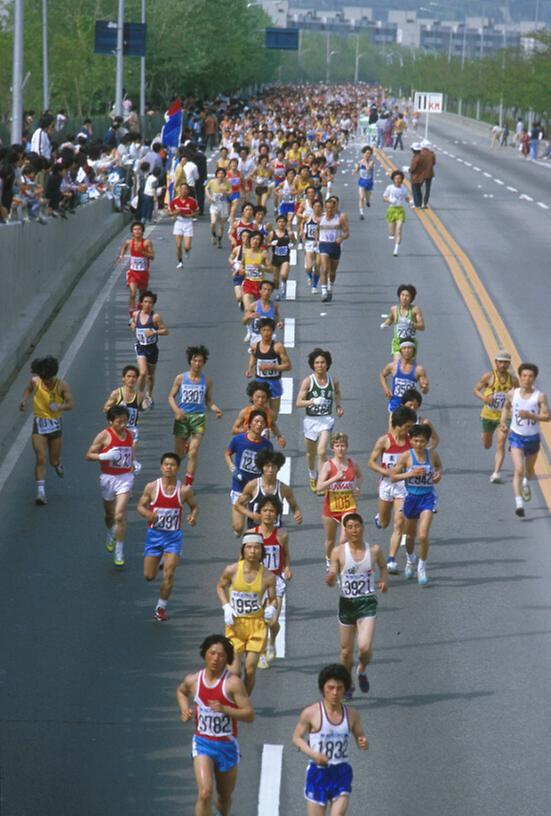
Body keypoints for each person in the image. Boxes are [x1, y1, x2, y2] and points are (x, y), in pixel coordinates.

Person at [176, 634, 254, 816]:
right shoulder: (193, 680)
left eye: (221, 655)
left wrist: (226, 710)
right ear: (204, 654)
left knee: (224, 797)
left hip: (227, 745)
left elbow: (249, 715)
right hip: (203, 743)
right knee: (205, 792)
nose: (216, 659)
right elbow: (181, 691)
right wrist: (184, 708)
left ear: (227, 659)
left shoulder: (232, 684)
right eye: (212, 653)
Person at [292, 663, 368, 814]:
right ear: (323, 689)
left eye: (340, 688)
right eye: (331, 688)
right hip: (318, 774)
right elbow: (296, 738)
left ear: (345, 689)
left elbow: (361, 738)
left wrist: (363, 742)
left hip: (341, 772)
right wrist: (314, 755)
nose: (335, 693)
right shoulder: (311, 713)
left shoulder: (352, 715)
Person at [326, 514, 387, 697]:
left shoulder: (374, 550)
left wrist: (384, 581)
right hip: (346, 604)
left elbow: (383, 567)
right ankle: (348, 682)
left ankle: (361, 669)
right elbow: (333, 574)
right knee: (345, 653)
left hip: (367, 602)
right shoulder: (338, 552)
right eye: (350, 527)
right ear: (345, 530)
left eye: (357, 526)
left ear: (363, 528)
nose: (354, 530)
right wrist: (330, 579)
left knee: (365, 647)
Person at [137, 452, 198, 621]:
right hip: (154, 536)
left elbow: (194, 506)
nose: (169, 468)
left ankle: (161, 607)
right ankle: (161, 558)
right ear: (161, 467)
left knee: (169, 573)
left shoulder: (184, 490)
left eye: (172, 465)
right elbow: (140, 506)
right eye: (166, 465)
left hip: (173, 538)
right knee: (149, 576)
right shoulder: (152, 487)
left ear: (178, 468)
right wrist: (147, 514)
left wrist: (193, 516)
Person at [216, 532, 277, 695]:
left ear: (262, 551)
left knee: (250, 670)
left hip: (256, 626)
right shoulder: (232, 570)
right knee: (234, 671)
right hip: (235, 625)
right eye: (249, 547)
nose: (252, 551)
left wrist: (271, 608)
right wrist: (226, 607)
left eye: (257, 548)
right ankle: (234, 695)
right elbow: (220, 587)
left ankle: (243, 701)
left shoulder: (268, 576)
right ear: (243, 550)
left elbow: (273, 599)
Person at [390, 424, 442, 586]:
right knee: (410, 536)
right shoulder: (406, 456)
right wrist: (410, 473)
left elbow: (439, 467)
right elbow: (393, 477)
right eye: (416, 441)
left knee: (423, 535)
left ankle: (422, 568)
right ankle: (410, 560)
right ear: (410, 441)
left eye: (422, 441)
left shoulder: (432, 455)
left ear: (427, 442)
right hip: (411, 498)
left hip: (427, 497)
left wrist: (437, 475)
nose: (419, 444)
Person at [367, 406, 417, 574]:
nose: (409, 430)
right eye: (407, 426)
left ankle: (391, 560)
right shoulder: (384, 441)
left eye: (411, 427)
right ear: (398, 424)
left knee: (399, 523)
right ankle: (379, 518)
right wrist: (385, 471)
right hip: (387, 485)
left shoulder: (412, 442)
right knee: (384, 522)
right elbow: (371, 462)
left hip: (403, 486)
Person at [19, 355, 74, 506]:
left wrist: (60, 406)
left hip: (55, 425)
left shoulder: (62, 385)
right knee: (40, 458)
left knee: (53, 460)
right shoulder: (36, 381)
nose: (47, 382)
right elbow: (28, 389)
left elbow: (70, 404)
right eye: (44, 379)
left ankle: (58, 464)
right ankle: (41, 493)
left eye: (49, 379)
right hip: (39, 425)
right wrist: (24, 401)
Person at [85, 406, 134, 568]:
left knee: (119, 515)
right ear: (110, 421)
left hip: (125, 478)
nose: (123, 425)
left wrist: (134, 465)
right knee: (109, 514)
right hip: (108, 478)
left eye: (125, 421)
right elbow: (88, 455)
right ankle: (111, 532)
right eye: (119, 421)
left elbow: (130, 456)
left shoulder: (130, 435)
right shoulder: (104, 435)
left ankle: (119, 550)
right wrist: (104, 455)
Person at [168, 345, 223, 486]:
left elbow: (208, 400)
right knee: (179, 454)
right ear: (190, 361)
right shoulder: (180, 378)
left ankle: (188, 484)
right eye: (195, 360)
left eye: (200, 361)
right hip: (182, 418)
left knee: (193, 452)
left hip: (198, 418)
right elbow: (171, 397)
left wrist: (215, 408)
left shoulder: (207, 381)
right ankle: (172, 478)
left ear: (204, 363)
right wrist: (177, 411)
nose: (197, 364)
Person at [500, 363, 550, 517]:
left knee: (528, 471)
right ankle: (519, 503)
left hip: (533, 438)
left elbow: (547, 417)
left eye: (530, 376)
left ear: (534, 378)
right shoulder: (512, 393)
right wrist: (503, 421)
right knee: (518, 470)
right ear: (520, 377)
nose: (527, 379)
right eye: (524, 376)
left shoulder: (539, 396)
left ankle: (526, 482)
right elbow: (506, 407)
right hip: (516, 436)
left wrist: (531, 416)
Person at [296, 348, 344, 493]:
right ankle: (312, 475)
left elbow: (337, 392)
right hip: (311, 420)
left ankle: (322, 483)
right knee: (311, 454)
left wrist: (338, 406)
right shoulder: (308, 381)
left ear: (327, 364)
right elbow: (298, 403)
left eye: (322, 362)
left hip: (325, 420)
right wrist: (312, 401)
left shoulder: (333, 380)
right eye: (317, 363)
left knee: (322, 451)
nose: (320, 365)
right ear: (313, 365)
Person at [253, 494, 292, 667]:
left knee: (273, 621)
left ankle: (271, 642)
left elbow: (285, 554)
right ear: (259, 513)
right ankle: (261, 652)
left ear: (277, 514)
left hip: (276, 581)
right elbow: (242, 559)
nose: (268, 514)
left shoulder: (282, 535)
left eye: (272, 511)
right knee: (260, 620)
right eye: (265, 510)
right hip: (257, 581)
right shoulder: (251, 535)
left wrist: (287, 568)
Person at [472, 350, 518, 484]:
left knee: (501, 442)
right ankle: (485, 435)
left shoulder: (513, 380)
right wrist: (484, 398)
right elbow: (475, 390)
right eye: (501, 362)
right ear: (496, 363)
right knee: (487, 444)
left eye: (506, 362)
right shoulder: (488, 376)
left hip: (504, 416)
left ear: (509, 364)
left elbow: (519, 395)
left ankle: (496, 472)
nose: (503, 365)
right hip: (488, 415)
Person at [225, 410, 273, 536]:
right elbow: (227, 453)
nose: (259, 425)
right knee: (238, 527)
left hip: (256, 489)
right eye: (256, 421)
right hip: (239, 486)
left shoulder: (267, 445)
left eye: (262, 422)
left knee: (256, 530)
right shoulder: (238, 440)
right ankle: (244, 521)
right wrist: (232, 468)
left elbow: (270, 465)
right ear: (249, 424)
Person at [317, 434, 362, 565]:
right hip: (331, 508)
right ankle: (329, 560)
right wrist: (335, 478)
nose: (340, 449)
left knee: (343, 539)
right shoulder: (328, 466)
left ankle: (342, 563)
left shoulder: (352, 463)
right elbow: (319, 487)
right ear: (333, 448)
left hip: (348, 507)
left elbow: (360, 476)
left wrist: (357, 487)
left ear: (346, 447)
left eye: (342, 445)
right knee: (330, 540)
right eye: (337, 446)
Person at [235, 448, 302, 529]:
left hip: (274, 531)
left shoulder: (284, 489)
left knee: (284, 537)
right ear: (262, 467)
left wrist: (297, 514)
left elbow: (294, 506)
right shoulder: (252, 486)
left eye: (273, 466)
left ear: (278, 468)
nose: (270, 470)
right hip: (255, 531)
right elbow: (238, 505)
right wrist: (252, 515)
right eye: (267, 466)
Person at [245, 317, 291, 421]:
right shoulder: (255, 346)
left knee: (273, 417)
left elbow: (288, 366)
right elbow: (253, 356)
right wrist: (250, 369)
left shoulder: (277, 347)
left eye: (268, 330)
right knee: (260, 413)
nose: (266, 333)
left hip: (274, 383)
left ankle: (268, 432)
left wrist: (272, 367)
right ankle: (263, 433)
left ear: (272, 331)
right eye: (263, 330)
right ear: (260, 331)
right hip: (260, 383)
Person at [130, 291, 169, 408]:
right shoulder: (136, 314)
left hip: (152, 349)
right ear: (141, 303)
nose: (147, 304)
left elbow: (166, 331)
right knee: (142, 373)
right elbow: (131, 321)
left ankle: (149, 395)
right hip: (140, 347)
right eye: (145, 302)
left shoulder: (155, 317)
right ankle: (139, 396)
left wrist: (154, 331)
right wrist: (132, 324)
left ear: (153, 304)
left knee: (150, 376)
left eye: (150, 302)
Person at [103, 364, 145, 465]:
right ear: (123, 378)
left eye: (134, 377)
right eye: (128, 376)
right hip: (118, 429)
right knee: (118, 458)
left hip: (132, 428)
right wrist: (117, 409)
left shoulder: (139, 395)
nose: (131, 379)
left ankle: (132, 464)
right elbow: (105, 409)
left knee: (132, 450)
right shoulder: (117, 393)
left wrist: (145, 405)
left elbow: (139, 409)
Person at [380, 340, 429, 418]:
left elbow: (425, 391)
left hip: (410, 407)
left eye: (410, 348)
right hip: (395, 405)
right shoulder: (393, 366)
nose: (407, 351)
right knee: (393, 430)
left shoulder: (419, 369)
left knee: (409, 429)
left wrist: (424, 388)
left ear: (413, 351)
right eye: (404, 348)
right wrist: (386, 388)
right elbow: (382, 375)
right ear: (400, 351)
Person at [231, 380, 286, 448]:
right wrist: (248, 431)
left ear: (267, 398)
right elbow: (234, 430)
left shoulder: (270, 413)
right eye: (257, 397)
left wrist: (279, 436)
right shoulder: (245, 412)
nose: (260, 400)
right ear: (251, 397)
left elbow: (272, 425)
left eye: (263, 397)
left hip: (262, 447)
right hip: (246, 446)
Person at [117, 221, 154, 319]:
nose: (137, 231)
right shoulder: (129, 242)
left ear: (143, 231)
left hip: (144, 274)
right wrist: (121, 256)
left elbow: (152, 256)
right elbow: (124, 247)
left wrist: (142, 252)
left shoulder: (147, 242)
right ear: (132, 232)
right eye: (135, 229)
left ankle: (139, 311)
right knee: (133, 293)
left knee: (142, 296)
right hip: (133, 273)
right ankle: (132, 316)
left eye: (139, 229)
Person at [380, 284, 425, 359]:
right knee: (397, 365)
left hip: (410, 343)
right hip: (397, 342)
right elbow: (391, 318)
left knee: (408, 367)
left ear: (411, 298)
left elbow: (422, 327)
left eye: (407, 296)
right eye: (402, 295)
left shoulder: (415, 310)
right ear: (399, 296)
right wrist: (385, 324)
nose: (404, 298)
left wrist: (410, 323)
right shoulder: (394, 309)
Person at [318, 196, 349, 303]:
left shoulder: (339, 219)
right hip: (324, 245)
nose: (329, 210)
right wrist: (315, 240)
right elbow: (318, 230)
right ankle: (323, 291)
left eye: (331, 208)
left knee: (332, 271)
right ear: (325, 208)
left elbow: (347, 233)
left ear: (334, 208)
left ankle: (330, 287)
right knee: (324, 269)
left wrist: (342, 237)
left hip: (335, 246)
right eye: (327, 208)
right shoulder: (320, 218)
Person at [169, 181, 199, 268]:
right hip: (178, 223)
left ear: (188, 191)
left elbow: (197, 211)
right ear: (179, 190)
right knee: (178, 245)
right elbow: (169, 212)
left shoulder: (192, 201)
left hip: (188, 223)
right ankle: (180, 261)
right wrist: (176, 212)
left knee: (187, 246)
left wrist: (189, 215)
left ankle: (187, 251)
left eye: (185, 189)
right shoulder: (174, 201)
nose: (183, 190)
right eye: (182, 189)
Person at [383, 169, 411, 257]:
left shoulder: (404, 189)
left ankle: (396, 250)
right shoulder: (390, 188)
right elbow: (384, 198)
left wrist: (411, 201)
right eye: (396, 178)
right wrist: (389, 200)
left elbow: (406, 198)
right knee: (391, 233)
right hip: (391, 210)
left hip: (400, 211)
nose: (398, 180)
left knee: (398, 230)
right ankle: (391, 234)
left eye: (399, 178)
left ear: (402, 179)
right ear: (393, 179)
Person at [205, 167, 231, 247]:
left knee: (222, 225)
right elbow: (206, 188)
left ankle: (219, 240)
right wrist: (209, 197)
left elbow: (230, 192)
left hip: (223, 205)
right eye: (219, 173)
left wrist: (225, 192)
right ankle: (214, 235)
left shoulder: (227, 183)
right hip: (214, 204)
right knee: (213, 222)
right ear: (216, 174)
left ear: (224, 175)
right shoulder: (212, 182)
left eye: (222, 173)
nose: (221, 175)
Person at [410, 141, 436, 209]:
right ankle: (424, 203)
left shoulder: (420, 154)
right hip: (429, 173)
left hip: (420, 174)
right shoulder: (432, 154)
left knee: (418, 188)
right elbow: (434, 163)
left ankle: (418, 202)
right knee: (427, 189)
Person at [353, 145, 374, 220]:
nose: (368, 155)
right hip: (362, 181)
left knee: (367, 198)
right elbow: (357, 169)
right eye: (366, 153)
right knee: (361, 197)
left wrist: (365, 161)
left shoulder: (371, 162)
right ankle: (361, 213)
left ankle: (368, 201)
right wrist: (355, 170)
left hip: (369, 182)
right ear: (363, 153)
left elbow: (368, 168)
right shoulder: (360, 162)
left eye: (369, 153)